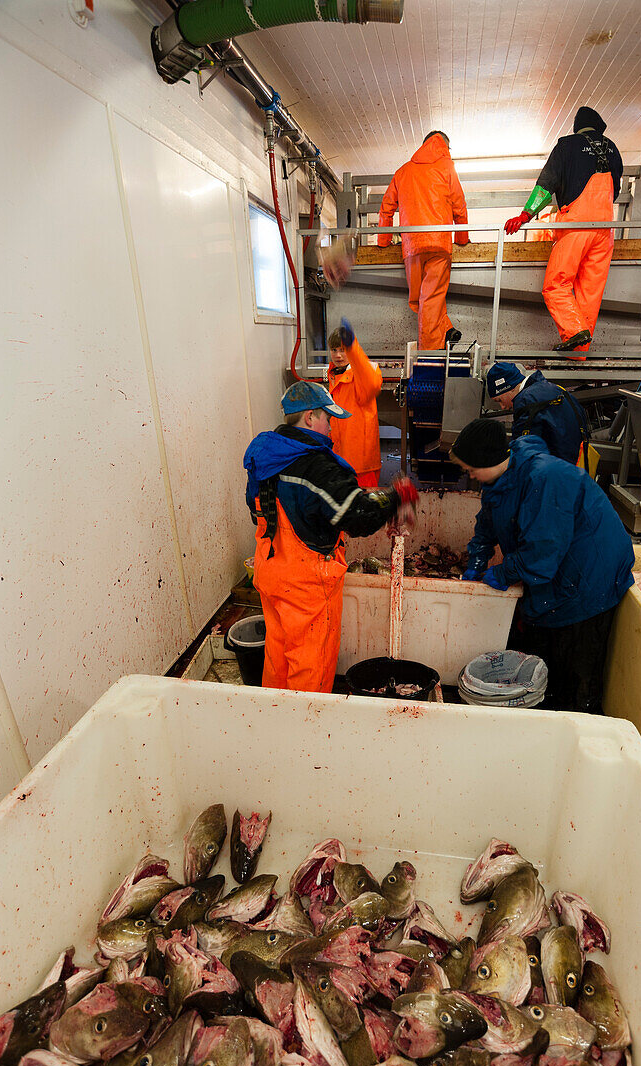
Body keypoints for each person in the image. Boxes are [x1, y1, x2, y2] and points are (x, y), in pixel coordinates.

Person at [243, 381, 418, 694]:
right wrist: (396, 496)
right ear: (310, 417)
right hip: (306, 585)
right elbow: (355, 517)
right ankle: (307, 734)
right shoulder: (316, 465)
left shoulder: (265, 454)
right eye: (328, 419)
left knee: (278, 657)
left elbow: (255, 508)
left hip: (271, 572)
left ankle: (273, 724)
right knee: (310, 664)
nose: (331, 428)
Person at [450, 418, 633, 713]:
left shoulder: (545, 478)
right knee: (542, 650)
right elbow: (486, 525)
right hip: (556, 566)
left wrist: (501, 572)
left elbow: (541, 556)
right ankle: (546, 708)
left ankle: (576, 720)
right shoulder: (499, 480)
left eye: (469, 467)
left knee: (574, 668)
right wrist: (477, 560)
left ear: (488, 460)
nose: (467, 473)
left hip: (588, 577)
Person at [505, 107, 623, 356]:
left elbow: (547, 184)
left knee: (556, 285)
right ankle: (579, 352)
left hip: (576, 225)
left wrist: (526, 214)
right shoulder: (613, 149)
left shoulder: (567, 146)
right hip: (605, 230)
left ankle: (574, 331)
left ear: (577, 127)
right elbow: (617, 191)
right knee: (589, 291)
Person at [377, 131, 470, 351]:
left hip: (412, 247)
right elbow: (460, 205)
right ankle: (431, 353)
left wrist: (383, 241)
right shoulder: (447, 167)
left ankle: (445, 331)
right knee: (430, 300)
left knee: (422, 300)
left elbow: (386, 207)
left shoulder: (403, 172)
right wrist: (462, 238)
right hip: (438, 244)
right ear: (445, 147)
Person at [485, 361, 589, 465]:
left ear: (508, 388)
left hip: (557, 472)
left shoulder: (526, 400)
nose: (502, 407)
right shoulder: (555, 389)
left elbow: (522, 452)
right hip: (575, 466)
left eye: (499, 400)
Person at [327, 318, 382, 488]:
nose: (338, 355)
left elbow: (371, 381)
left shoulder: (363, 374)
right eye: (334, 350)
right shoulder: (335, 374)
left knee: (366, 509)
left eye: (343, 350)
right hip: (340, 458)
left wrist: (353, 347)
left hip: (361, 464)